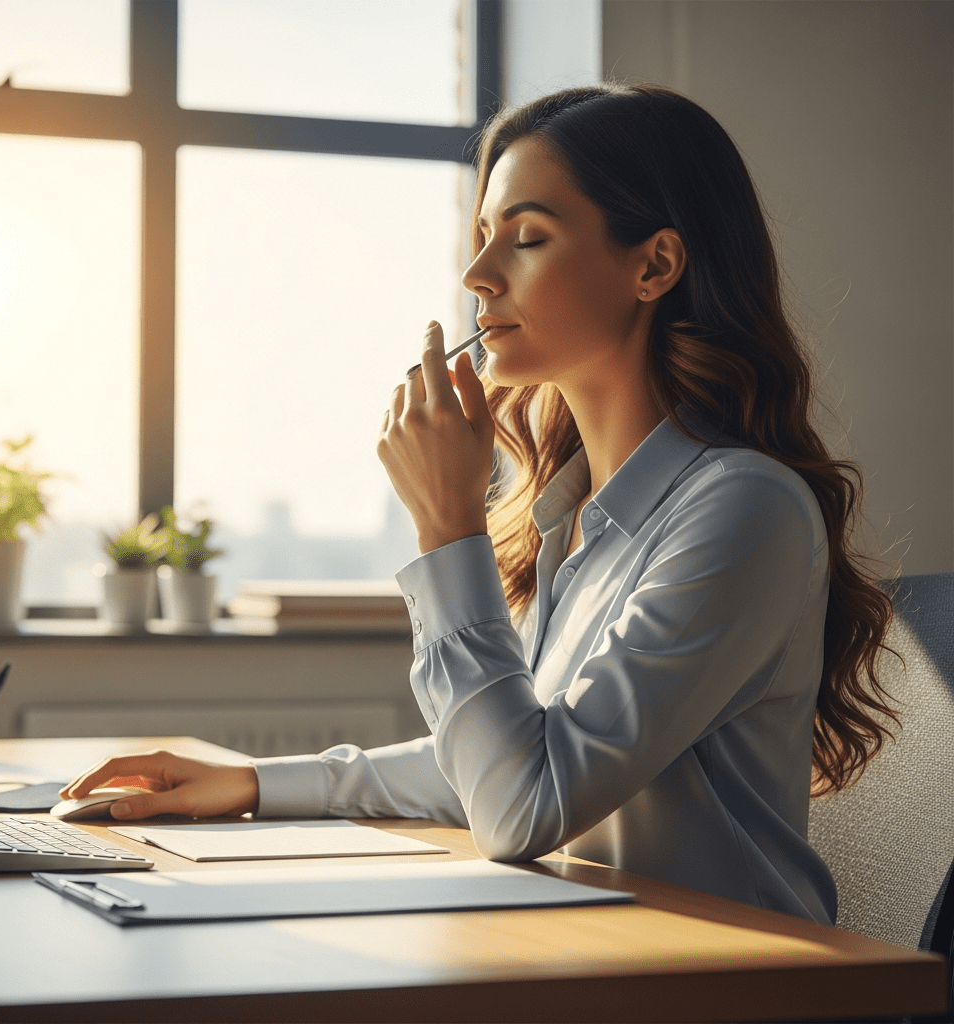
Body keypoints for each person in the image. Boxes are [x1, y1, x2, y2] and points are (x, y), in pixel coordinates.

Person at [62, 83, 900, 925]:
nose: (477, 274)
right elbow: (503, 758)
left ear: (654, 266)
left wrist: (445, 526)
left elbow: (520, 808)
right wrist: (251, 783)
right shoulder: (568, 512)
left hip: (735, 985)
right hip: (592, 954)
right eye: (482, 237)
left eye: (527, 237)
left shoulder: (743, 510)